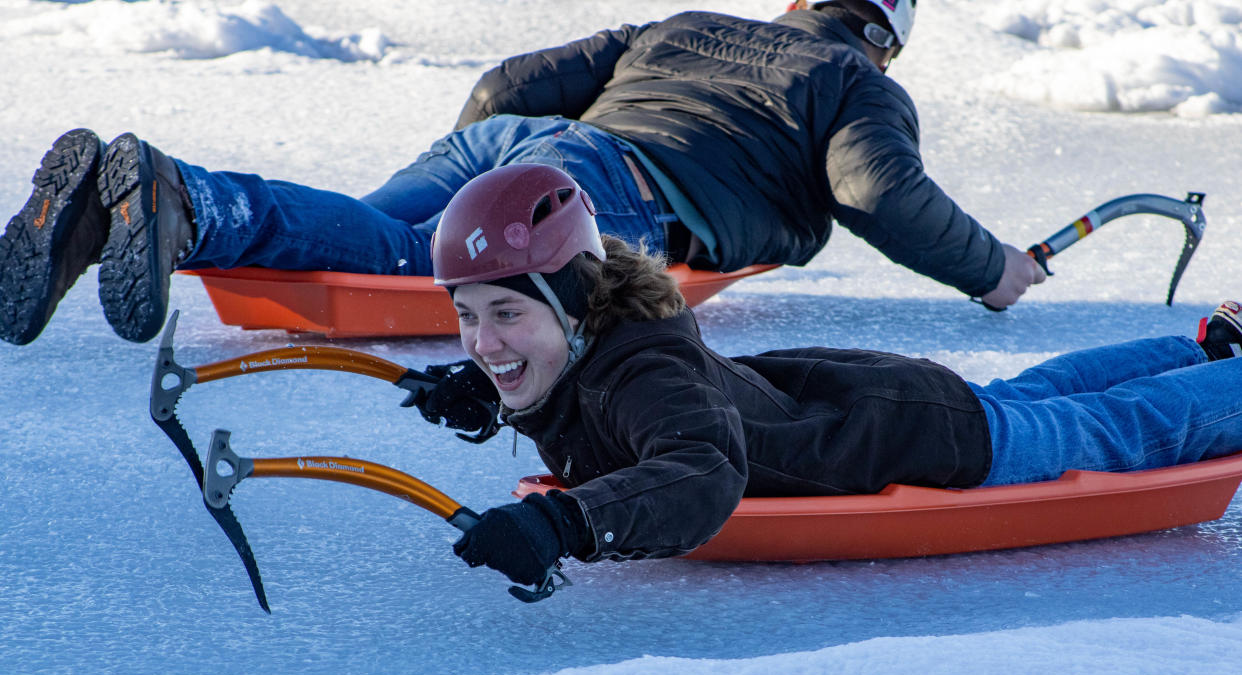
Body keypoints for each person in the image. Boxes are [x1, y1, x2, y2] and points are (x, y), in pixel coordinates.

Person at [0, 0, 1045, 346]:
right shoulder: (854, 84)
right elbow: (878, 193)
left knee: (362, 235)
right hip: (607, 183)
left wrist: (486, 168)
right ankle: (183, 197)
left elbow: (512, 81)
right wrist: (990, 268)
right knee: (419, 266)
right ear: (885, 38)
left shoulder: (683, 25)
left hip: (514, 143)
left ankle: (108, 206)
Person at [411, 164, 1242, 592]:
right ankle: (1210, 345)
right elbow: (583, 395)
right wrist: (490, 384)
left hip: (916, 438)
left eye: (508, 314)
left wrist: (567, 525)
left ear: (572, 300)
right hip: (870, 397)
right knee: (1035, 395)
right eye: (468, 315)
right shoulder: (600, 339)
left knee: (1111, 430)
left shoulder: (643, 375)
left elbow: (700, 470)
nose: (483, 338)